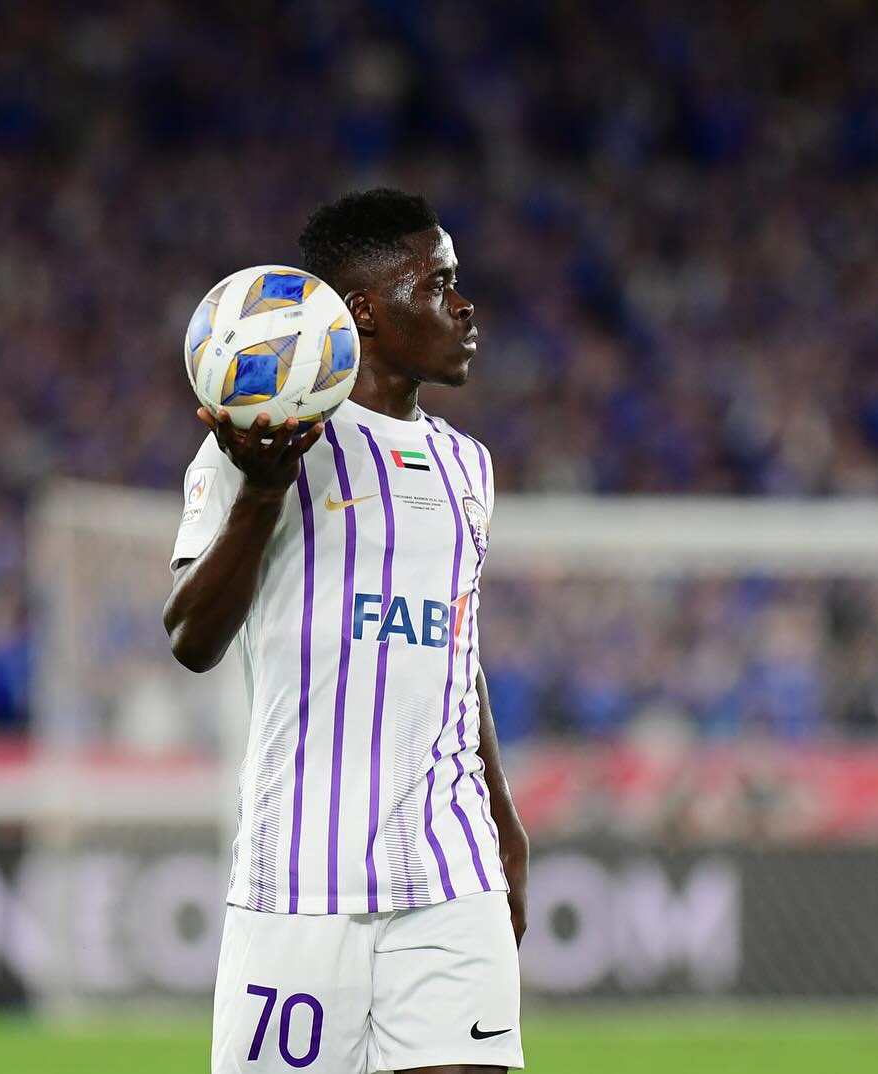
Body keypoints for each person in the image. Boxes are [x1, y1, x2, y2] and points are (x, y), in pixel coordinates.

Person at [164, 188, 527, 1074]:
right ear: (363, 310)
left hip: (448, 871)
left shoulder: (468, 467)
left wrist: (503, 819)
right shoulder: (258, 440)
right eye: (437, 284)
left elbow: (457, 654)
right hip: (298, 878)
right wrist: (261, 491)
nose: (463, 305)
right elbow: (192, 639)